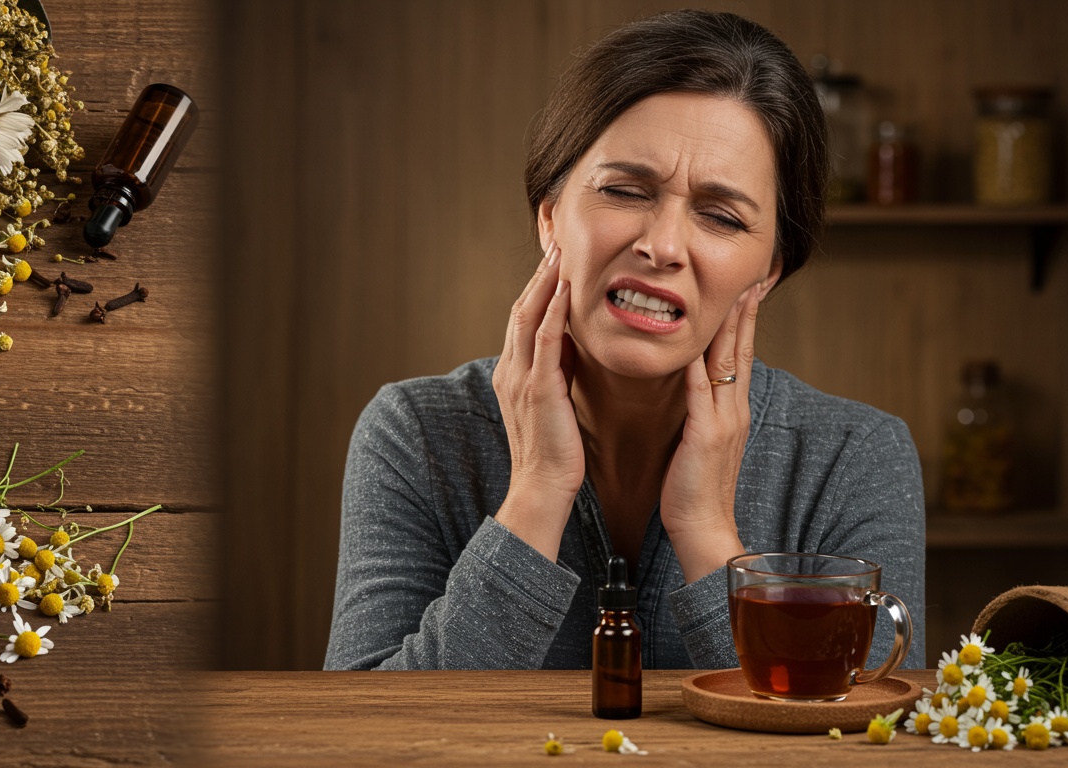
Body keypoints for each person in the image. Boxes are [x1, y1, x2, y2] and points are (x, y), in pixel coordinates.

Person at [324, 9, 925, 671]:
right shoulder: (416, 432)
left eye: (721, 216)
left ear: (768, 270)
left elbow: (861, 737)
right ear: (551, 218)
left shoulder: (856, 456)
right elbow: (368, 723)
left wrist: (706, 531)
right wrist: (537, 493)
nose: (661, 246)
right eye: (624, 190)